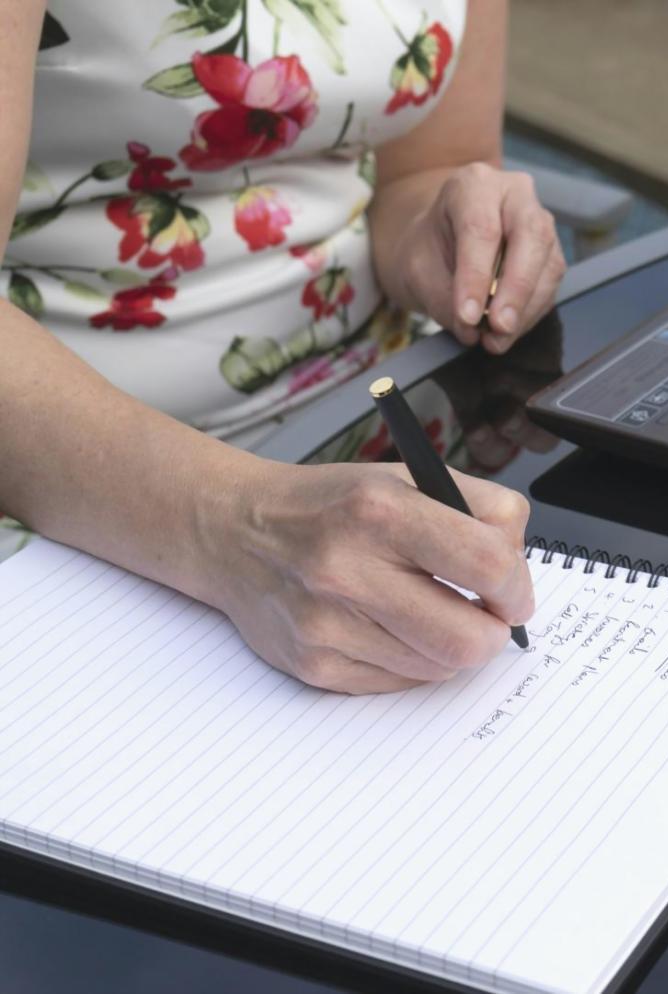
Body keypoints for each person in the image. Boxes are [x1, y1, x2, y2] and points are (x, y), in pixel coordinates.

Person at [0, 1, 560, 693]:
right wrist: (238, 523)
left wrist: (447, 239)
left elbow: (424, 166)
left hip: (379, 420)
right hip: (74, 478)